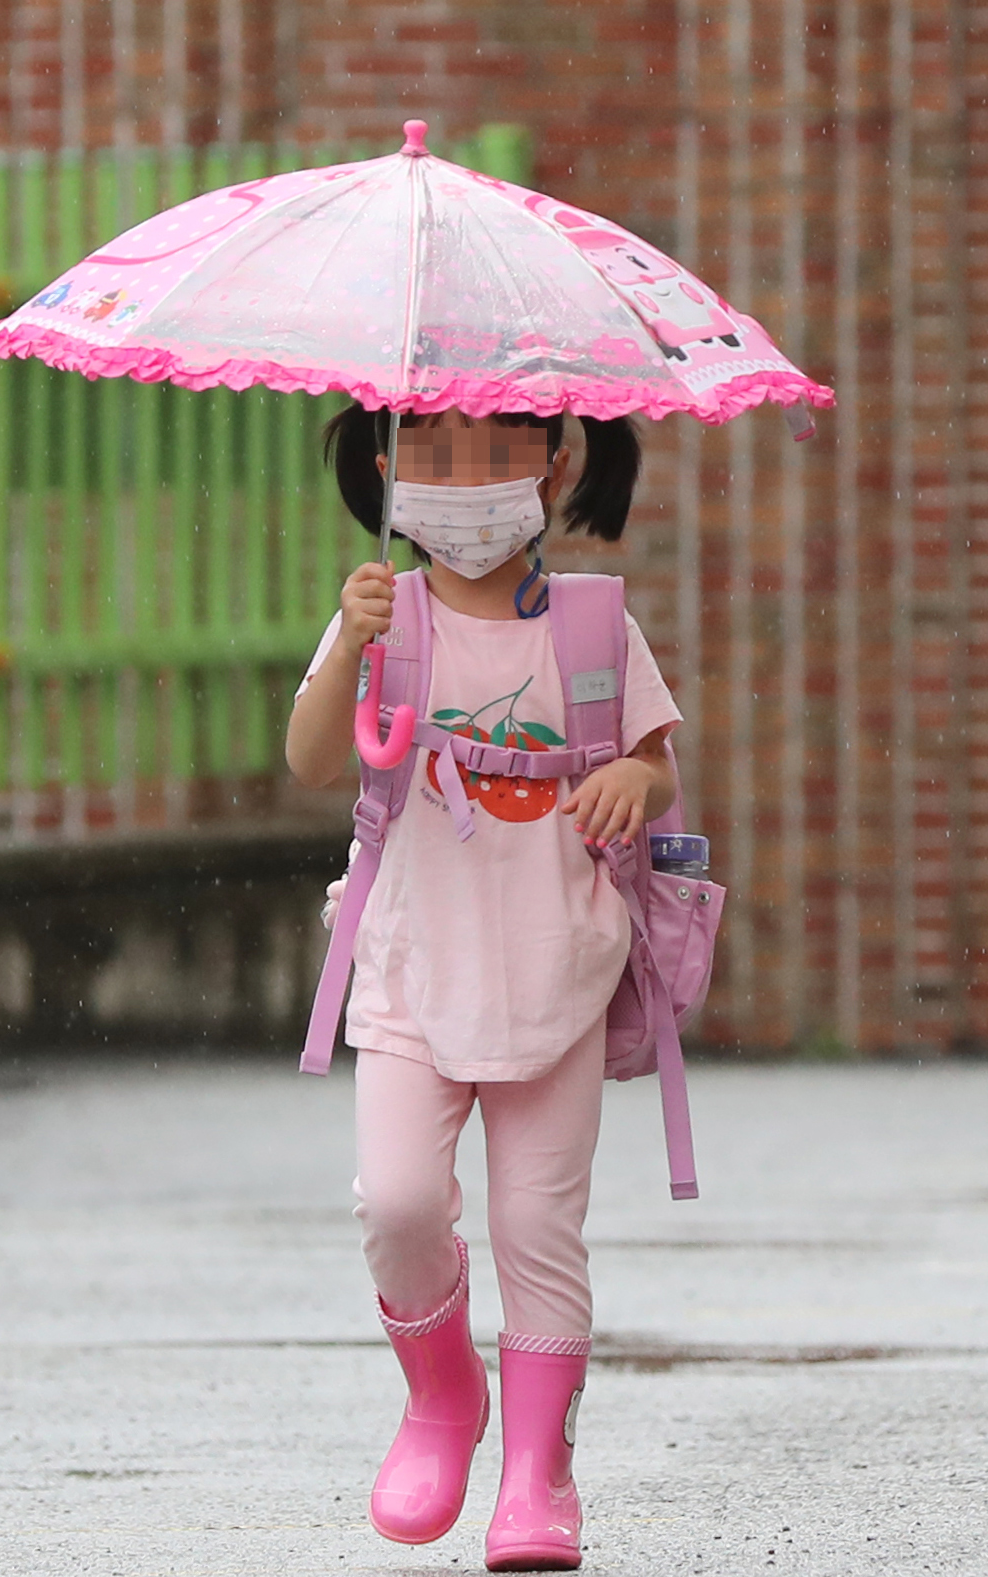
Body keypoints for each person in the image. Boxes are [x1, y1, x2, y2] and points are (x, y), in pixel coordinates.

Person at [286, 404, 677, 1569]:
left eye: (494, 451)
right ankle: (441, 1395)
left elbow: (656, 764)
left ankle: (536, 1472)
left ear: (551, 465)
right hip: (410, 965)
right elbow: (314, 758)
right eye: (432, 452)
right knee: (398, 1203)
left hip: (557, 964)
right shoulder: (381, 616)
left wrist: (632, 791)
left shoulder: (597, 624)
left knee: (537, 1227)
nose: (464, 485)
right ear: (385, 468)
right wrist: (347, 649)